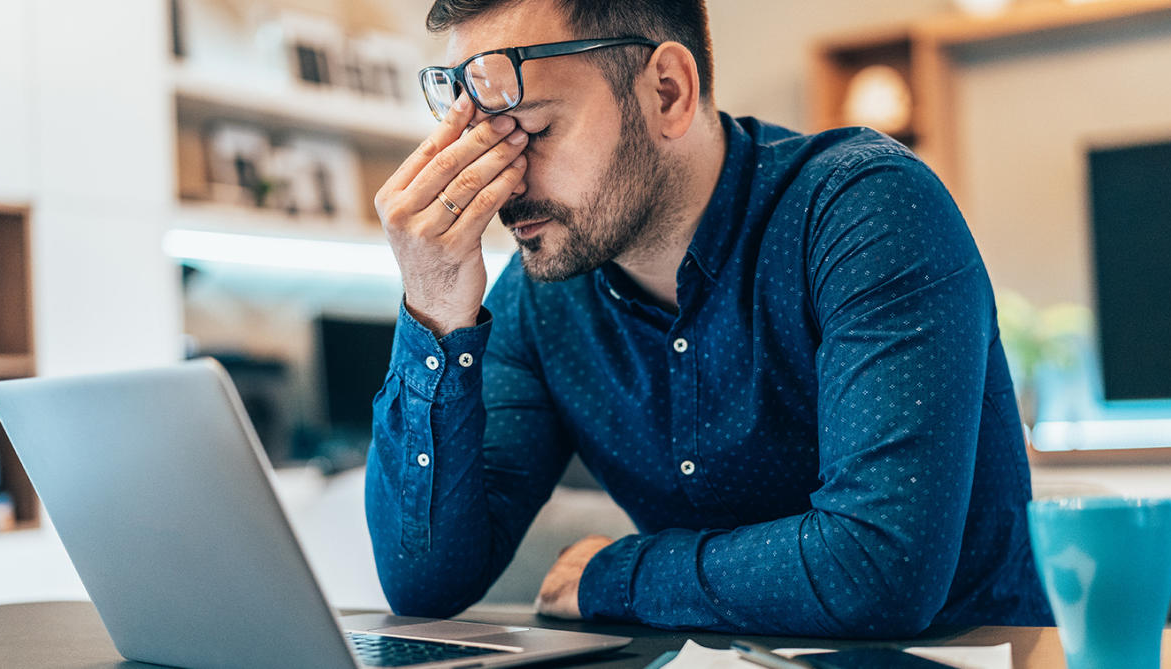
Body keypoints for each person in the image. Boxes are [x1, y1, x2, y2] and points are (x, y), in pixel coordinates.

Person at [365, 0, 1052, 636]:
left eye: (537, 130)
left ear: (668, 91)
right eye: (484, 145)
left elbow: (877, 568)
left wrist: (620, 572)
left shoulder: (867, 213)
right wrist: (434, 307)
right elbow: (425, 583)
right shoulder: (542, 297)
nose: (506, 182)